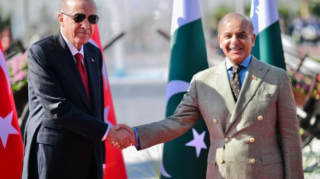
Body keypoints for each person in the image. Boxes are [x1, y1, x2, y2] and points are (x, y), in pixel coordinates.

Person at [113, 13, 304, 178]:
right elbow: (177, 122)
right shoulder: (202, 81)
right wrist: (136, 134)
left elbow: (290, 137)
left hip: (265, 174)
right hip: (221, 173)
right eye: (228, 36)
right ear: (220, 40)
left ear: (253, 39)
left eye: (242, 35)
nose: (234, 42)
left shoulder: (276, 77)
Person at [22, 0, 134, 179]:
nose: (86, 24)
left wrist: (101, 161)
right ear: (61, 19)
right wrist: (107, 131)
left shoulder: (93, 53)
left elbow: (96, 108)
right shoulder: (42, 52)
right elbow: (58, 108)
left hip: (90, 161)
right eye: (79, 17)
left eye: (92, 19)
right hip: (54, 160)